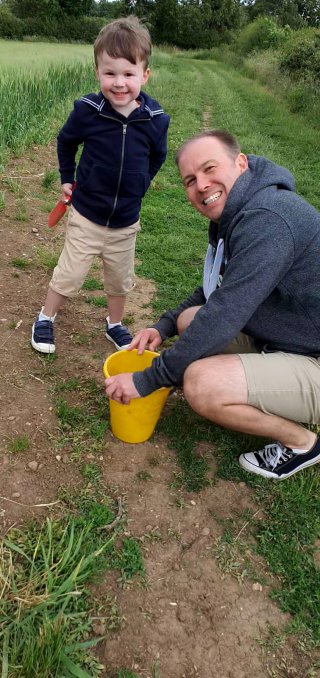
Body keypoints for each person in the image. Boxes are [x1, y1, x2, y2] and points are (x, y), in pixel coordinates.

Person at [105, 129, 320, 481]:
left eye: (209, 168)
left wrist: (148, 381)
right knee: (191, 320)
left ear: (241, 163)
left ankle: (302, 443)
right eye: (190, 180)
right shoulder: (241, 211)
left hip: (314, 356)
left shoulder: (269, 220)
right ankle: (269, 379)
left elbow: (224, 314)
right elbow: (216, 288)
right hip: (294, 337)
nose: (201, 185)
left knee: (201, 385)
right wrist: (164, 325)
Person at [31, 16, 169, 355]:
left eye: (128, 74)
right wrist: (67, 178)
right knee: (70, 272)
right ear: (97, 73)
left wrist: (142, 183)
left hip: (126, 221)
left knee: (120, 280)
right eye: (110, 73)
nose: (119, 83)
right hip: (87, 214)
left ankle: (115, 324)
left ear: (144, 75)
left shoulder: (156, 119)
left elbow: (158, 156)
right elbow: (65, 142)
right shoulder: (87, 110)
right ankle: (46, 316)